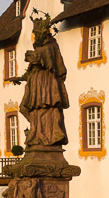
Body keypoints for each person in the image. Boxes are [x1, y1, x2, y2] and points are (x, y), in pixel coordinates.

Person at [10, 14, 69, 148]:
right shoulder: (40, 47)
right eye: (34, 34)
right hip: (36, 84)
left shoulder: (51, 45)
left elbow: (48, 60)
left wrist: (33, 56)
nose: (35, 36)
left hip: (47, 83)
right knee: (29, 108)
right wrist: (20, 78)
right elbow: (31, 69)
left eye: (36, 33)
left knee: (48, 107)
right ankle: (37, 133)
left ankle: (53, 134)